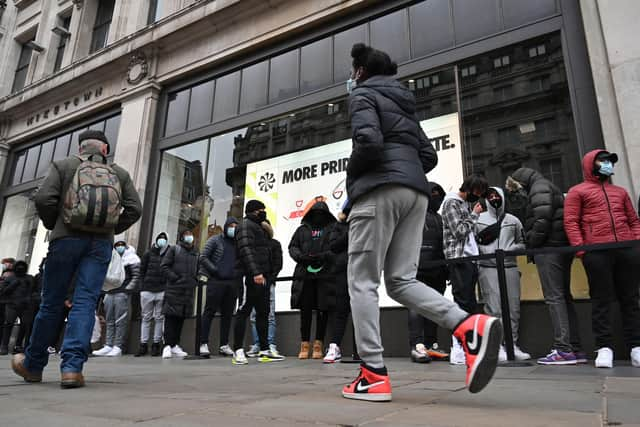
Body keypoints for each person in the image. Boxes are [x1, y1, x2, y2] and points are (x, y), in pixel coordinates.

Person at [342, 43, 502, 402]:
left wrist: (352, 182)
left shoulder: (363, 95)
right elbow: (427, 156)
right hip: (415, 194)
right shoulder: (405, 106)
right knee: (400, 280)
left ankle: (372, 374)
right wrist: (406, 172)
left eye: (353, 72)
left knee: (363, 281)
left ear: (361, 72)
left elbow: (367, 141)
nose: (351, 78)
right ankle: (468, 325)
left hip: (377, 192)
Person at [11, 129, 141, 389]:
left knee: (51, 303)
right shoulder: (119, 173)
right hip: (100, 245)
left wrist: (56, 223)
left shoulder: (63, 166)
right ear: (105, 150)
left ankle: (34, 364)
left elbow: (44, 198)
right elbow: (135, 208)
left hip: (65, 240)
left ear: (80, 148)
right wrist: (110, 228)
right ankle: (71, 368)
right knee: (85, 303)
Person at [563, 150, 640, 368]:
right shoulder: (578, 191)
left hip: (626, 250)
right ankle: (604, 348)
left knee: (631, 299)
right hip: (597, 252)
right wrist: (582, 250)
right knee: (601, 301)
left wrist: (635, 243)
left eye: (609, 161)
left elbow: (633, 220)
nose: (607, 164)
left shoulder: (621, 192)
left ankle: (636, 347)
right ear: (591, 164)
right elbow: (571, 222)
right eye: (603, 160)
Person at [507, 168, 586, 365]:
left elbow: (541, 219)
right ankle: (574, 348)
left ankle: (563, 349)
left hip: (548, 249)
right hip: (560, 247)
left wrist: (531, 242)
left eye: (517, 190)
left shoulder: (538, 188)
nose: (518, 195)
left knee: (554, 298)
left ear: (520, 184)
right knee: (563, 297)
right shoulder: (546, 185)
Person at [476, 187, 531, 362]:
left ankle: (511, 344)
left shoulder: (513, 220)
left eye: (496, 196)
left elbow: (522, 243)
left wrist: (510, 250)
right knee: (494, 308)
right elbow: (472, 243)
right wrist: (486, 253)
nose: (493, 199)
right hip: (488, 268)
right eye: (490, 196)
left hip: (509, 267)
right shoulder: (478, 220)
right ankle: (496, 346)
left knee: (513, 308)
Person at [441, 173, 488, 365]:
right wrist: (474, 215)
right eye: (477, 192)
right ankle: (457, 348)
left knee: (469, 303)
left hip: (469, 258)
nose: (478, 196)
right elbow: (459, 231)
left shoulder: (463, 205)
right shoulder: (451, 203)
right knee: (462, 302)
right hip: (458, 258)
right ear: (468, 189)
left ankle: (467, 346)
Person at [232, 200, 284, 364]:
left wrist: (266, 275)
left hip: (262, 278)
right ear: (254, 211)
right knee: (244, 311)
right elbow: (246, 249)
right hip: (250, 277)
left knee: (263, 313)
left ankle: (264, 349)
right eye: (261, 210)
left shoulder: (258, 228)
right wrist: (255, 273)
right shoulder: (246, 226)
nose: (263, 212)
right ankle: (238, 350)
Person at [408, 183, 450, 363]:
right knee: (416, 308)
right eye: (432, 193)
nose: (436, 198)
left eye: (439, 195)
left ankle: (432, 344)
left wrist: (447, 269)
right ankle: (417, 346)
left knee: (433, 308)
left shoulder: (440, 219)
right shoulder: (413, 215)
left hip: (438, 269)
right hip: (417, 269)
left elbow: (446, 246)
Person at [289, 200, 337, 360]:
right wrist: (302, 258)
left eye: (322, 213)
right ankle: (304, 344)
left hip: (325, 275)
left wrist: (323, 257)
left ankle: (318, 344)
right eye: (316, 213)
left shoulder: (332, 229)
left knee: (323, 310)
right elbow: (292, 247)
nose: (318, 216)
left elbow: (336, 248)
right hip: (305, 275)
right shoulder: (302, 230)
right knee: (306, 310)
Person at [199, 218, 241, 357]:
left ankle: (224, 344)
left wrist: (237, 273)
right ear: (225, 227)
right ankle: (203, 343)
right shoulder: (215, 240)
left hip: (232, 283)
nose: (233, 228)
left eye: (236, 226)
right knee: (209, 312)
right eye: (231, 226)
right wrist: (215, 270)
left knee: (228, 315)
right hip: (216, 281)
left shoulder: (238, 243)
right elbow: (203, 257)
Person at [93, 240, 140, 357]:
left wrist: (126, 290)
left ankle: (118, 346)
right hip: (110, 292)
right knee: (109, 320)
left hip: (122, 293)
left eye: (121, 245)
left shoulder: (132, 258)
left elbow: (136, 276)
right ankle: (108, 344)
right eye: (117, 246)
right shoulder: (112, 258)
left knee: (120, 320)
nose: (119, 247)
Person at [160, 230, 199, 359]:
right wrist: (174, 278)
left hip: (187, 290)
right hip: (174, 289)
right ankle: (167, 345)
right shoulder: (174, 250)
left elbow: (198, 268)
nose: (189, 237)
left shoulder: (195, 253)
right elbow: (164, 266)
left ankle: (175, 344)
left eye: (190, 234)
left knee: (180, 318)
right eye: (187, 234)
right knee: (171, 317)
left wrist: (195, 279)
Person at [248, 220, 283, 358]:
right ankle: (258, 343)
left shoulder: (274, 244)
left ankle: (270, 343)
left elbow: (277, 263)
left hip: (268, 282)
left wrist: (270, 278)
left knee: (269, 314)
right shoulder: (252, 245)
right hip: (253, 281)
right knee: (254, 314)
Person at [323, 201, 352, 363]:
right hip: (343, 271)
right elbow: (333, 246)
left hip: (362, 269)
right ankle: (335, 346)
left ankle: (366, 348)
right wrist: (349, 234)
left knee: (363, 308)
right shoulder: (338, 226)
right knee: (341, 309)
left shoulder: (366, 223)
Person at [135, 232, 169, 357]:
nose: (162, 241)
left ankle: (156, 344)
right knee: (146, 318)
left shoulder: (167, 254)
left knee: (159, 318)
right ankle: (143, 344)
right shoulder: (148, 253)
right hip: (147, 290)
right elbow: (141, 270)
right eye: (161, 239)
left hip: (161, 290)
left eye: (164, 239)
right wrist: (142, 286)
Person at [0, 261, 38, 355]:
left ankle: (18, 346)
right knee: (8, 324)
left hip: (25, 306)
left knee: (25, 325)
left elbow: (34, 290)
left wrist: (30, 299)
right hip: (11, 305)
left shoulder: (30, 278)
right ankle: (4, 346)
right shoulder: (10, 278)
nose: (20, 268)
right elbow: (3, 291)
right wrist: (14, 284)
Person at [0, 258, 16, 351]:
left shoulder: (14, 276)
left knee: (5, 323)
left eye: (10, 264)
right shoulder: (3, 273)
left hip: (8, 303)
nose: (8, 265)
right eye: (6, 264)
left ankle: (3, 344)